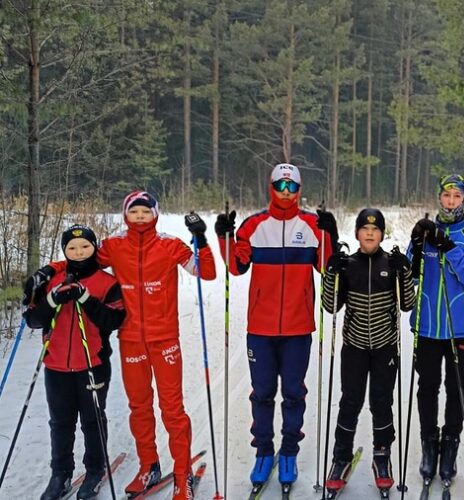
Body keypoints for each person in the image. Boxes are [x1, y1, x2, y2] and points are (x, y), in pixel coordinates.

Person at [34, 191, 216, 500]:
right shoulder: (114, 245)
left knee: (172, 409)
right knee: (139, 407)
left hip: (164, 339)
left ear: (155, 213)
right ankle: (149, 466)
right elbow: (81, 257)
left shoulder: (170, 244)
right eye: (134, 212)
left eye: (146, 211)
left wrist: (201, 239)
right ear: (125, 214)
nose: (140, 217)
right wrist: (51, 268)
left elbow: (206, 272)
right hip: (130, 339)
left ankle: (182, 473)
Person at [214, 163, 336, 490]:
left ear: (299, 189)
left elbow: (327, 266)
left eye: (291, 186)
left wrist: (331, 234)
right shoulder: (255, 225)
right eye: (280, 185)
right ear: (271, 187)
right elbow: (236, 266)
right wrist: (224, 236)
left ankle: (289, 451)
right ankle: (264, 452)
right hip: (261, 328)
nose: (285, 192)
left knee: (294, 393)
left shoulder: (311, 224)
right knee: (263, 393)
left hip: (298, 328)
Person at [24, 225, 126, 500]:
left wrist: (85, 299)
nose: (79, 252)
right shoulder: (52, 279)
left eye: (84, 246)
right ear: (64, 250)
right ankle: (60, 474)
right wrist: (52, 299)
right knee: (60, 423)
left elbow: (114, 320)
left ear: (94, 247)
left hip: (93, 364)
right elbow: (33, 320)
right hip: (56, 366)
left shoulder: (107, 283)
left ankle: (94, 470)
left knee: (93, 421)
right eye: (72, 248)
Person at [322, 208, 416, 493]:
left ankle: (382, 455)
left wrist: (405, 271)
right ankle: (341, 456)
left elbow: (408, 304)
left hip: (385, 347)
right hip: (354, 346)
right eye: (365, 229)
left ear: (382, 234)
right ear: (357, 233)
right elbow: (330, 305)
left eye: (375, 230)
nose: (370, 233)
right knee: (350, 401)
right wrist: (331, 273)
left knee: (381, 402)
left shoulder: (391, 263)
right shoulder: (349, 264)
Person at [406, 174, 464, 485]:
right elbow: (411, 277)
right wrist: (416, 245)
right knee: (427, 387)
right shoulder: (426, 231)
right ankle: (429, 443)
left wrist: (450, 248)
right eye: (446, 195)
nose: (451, 201)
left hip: (460, 329)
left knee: (457, 388)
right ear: (439, 197)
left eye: (457, 196)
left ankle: (450, 444)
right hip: (426, 327)